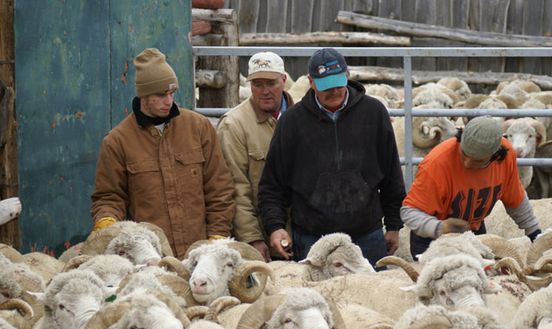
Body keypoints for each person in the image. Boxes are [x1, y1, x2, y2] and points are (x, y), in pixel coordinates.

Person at [258, 47, 406, 267]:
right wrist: (275, 226)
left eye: (338, 83)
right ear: (311, 82)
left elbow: (391, 172)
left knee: (373, 296)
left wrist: (394, 225)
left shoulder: (374, 113)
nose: (334, 91)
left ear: (347, 75)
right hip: (312, 237)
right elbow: (272, 183)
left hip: (366, 235)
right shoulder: (292, 122)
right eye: (326, 86)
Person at [91, 47, 235, 258]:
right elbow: (109, 197)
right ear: (143, 95)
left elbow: (219, 188)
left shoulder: (198, 128)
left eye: (171, 93)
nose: (169, 101)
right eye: (160, 95)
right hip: (150, 259)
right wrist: (107, 223)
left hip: (199, 257)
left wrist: (217, 237)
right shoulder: (117, 141)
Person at [401, 116, 542, 259]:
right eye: (464, 154)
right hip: (432, 239)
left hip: (473, 231)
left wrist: (534, 233)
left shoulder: (505, 157)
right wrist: (439, 227)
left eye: (477, 160)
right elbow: (410, 212)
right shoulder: (437, 164)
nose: (467, 163)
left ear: (495, 156)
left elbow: (515, 199)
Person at [217, 51, 294, 261]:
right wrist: (253, 239)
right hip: (263, 236)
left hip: (303, 233)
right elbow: (235, 187)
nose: (265, 91)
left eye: (271, 83)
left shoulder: (304, 118)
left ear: (284, 80)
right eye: (257, 84)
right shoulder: (234, 125)